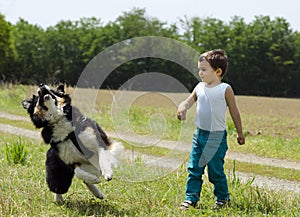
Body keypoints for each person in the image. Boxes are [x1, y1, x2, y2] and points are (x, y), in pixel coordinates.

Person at [177, 49, 245, 210]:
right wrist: (182, 108)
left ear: (218, 71)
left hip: (216, 137)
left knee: (215, 171)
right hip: (199, 135)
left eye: (204, 69)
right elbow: (188, 101)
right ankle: (190, 199)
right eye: (199, 69)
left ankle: (222, 199)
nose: (200, 73)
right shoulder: (199, 87)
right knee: (194, 169)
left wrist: (240, 132)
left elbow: (234, 112)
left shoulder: (225, 89)